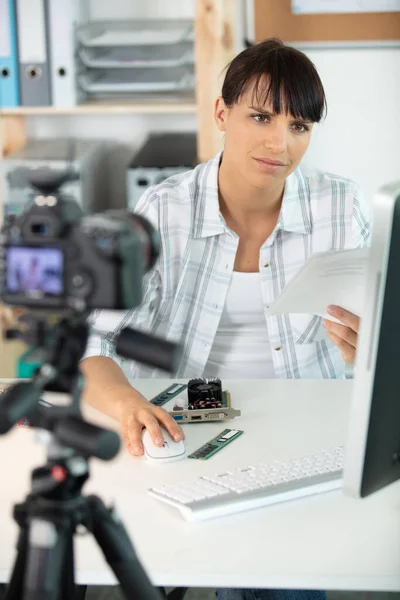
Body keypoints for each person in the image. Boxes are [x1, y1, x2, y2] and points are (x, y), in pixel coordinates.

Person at [80, 38, 370, 600]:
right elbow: (96, 340)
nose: (279, 143)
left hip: (301, 424)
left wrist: (373, 354)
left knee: (274, 584)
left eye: (299, 126)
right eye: (260, 117)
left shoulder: (342, 205)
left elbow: (382, 337)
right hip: (184, 423)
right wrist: (127, 404)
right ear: (222, 113)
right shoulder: (164, 208)